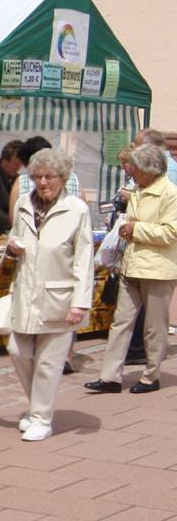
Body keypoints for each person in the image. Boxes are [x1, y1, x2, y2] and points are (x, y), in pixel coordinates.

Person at [4, 148, 94, 441]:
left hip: (59, 295)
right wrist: (12, 246)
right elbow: (14, 236)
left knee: (48, 362)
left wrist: (80, 302)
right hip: (26, 292)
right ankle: (36, 407)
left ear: (63, 178)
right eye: (38, 176)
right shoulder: (23, 205)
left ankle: (42, 418)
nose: (43, 182)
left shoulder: (76, 209)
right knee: (18, 351)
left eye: (50, 177)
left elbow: (83, 259)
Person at [85, 144, 177, 395]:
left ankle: (151, 375)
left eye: (135, 167)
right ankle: (110, 377)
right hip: (131, 264)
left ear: (150, 169)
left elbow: (171, 233)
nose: (130, 171)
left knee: (154, 326)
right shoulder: (137, 190)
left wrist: (136, 229)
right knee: (120, 322)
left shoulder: (170, 194)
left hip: (158, 269)